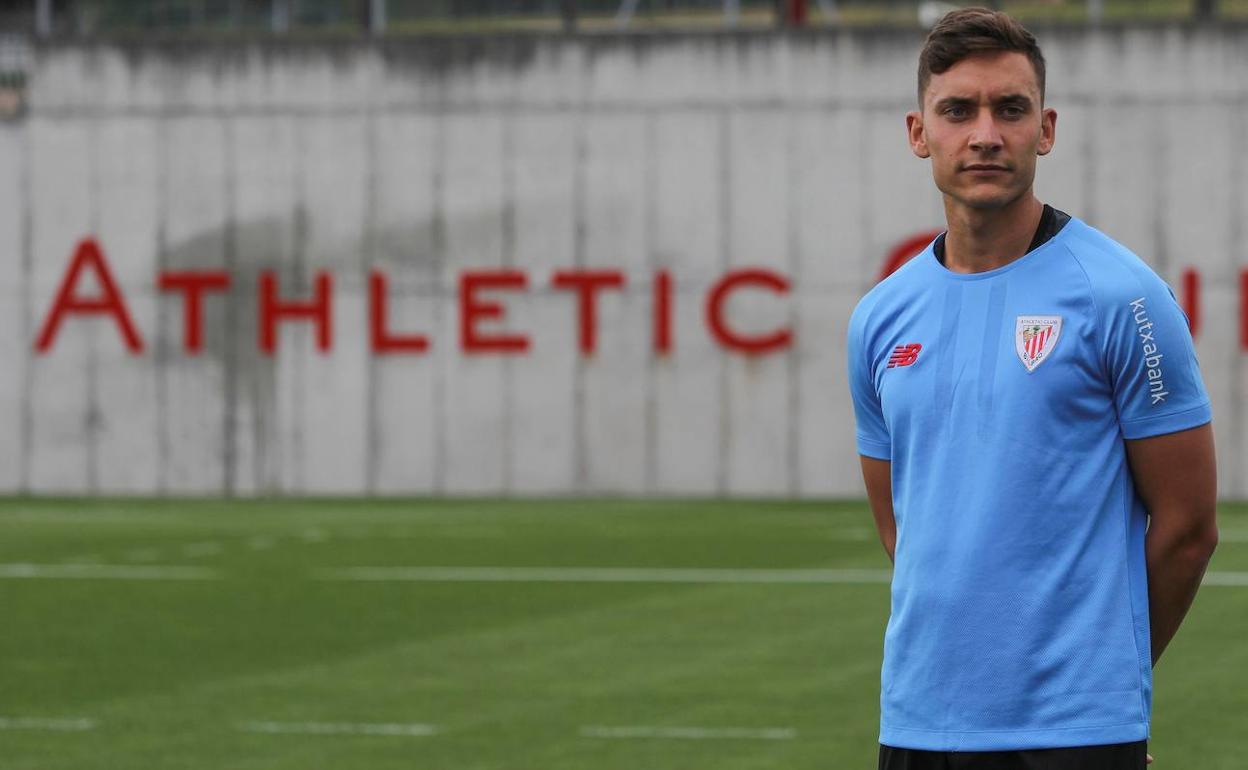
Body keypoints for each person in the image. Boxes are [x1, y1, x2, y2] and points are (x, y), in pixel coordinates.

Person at [846, 8, 1219, 770]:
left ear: (1045, 129)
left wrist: (1103, 680)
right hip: (919, 723)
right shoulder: (879, 318)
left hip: (1075, 734)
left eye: (1009, 109)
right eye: (958, 110)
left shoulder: (1125, 298)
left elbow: (1187, 528)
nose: (985, 133)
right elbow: (903, 530)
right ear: (919, 133)